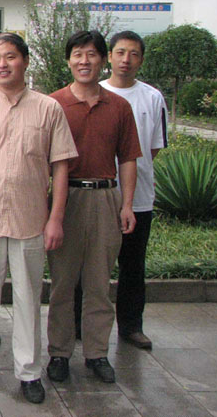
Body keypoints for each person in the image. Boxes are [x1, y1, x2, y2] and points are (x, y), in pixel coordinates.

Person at [0, 33, 77, 404]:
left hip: (30, 220)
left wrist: (55, 219)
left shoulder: (49, 109)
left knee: (28, 299)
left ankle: (29, 373)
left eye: (10, 57)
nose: (2, 64)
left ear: (25, 61)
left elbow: (61, 167)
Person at [47, 30, 141, 385]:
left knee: (100, 283)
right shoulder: (53, 104)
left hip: (105, 197)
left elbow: (128, 159)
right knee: (62, 282)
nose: (84, 61)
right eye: (77, 54)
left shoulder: (119, 106)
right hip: (64, 198)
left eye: (91, 54)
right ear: (68, 60)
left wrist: (127, 204)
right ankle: (59, 353)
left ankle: (97, 353)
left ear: (102, 60)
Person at [101, 31, 167, 349]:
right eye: (120, 52)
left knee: (133, 265)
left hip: (138, 198)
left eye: (134, 54)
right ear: (109, 56)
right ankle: (80, 325)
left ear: (141, 59)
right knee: (90, 266)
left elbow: (153, 147)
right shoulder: (95, 91)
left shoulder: (152, 98)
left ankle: (130, 326)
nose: (126, 60)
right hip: (98, 194)